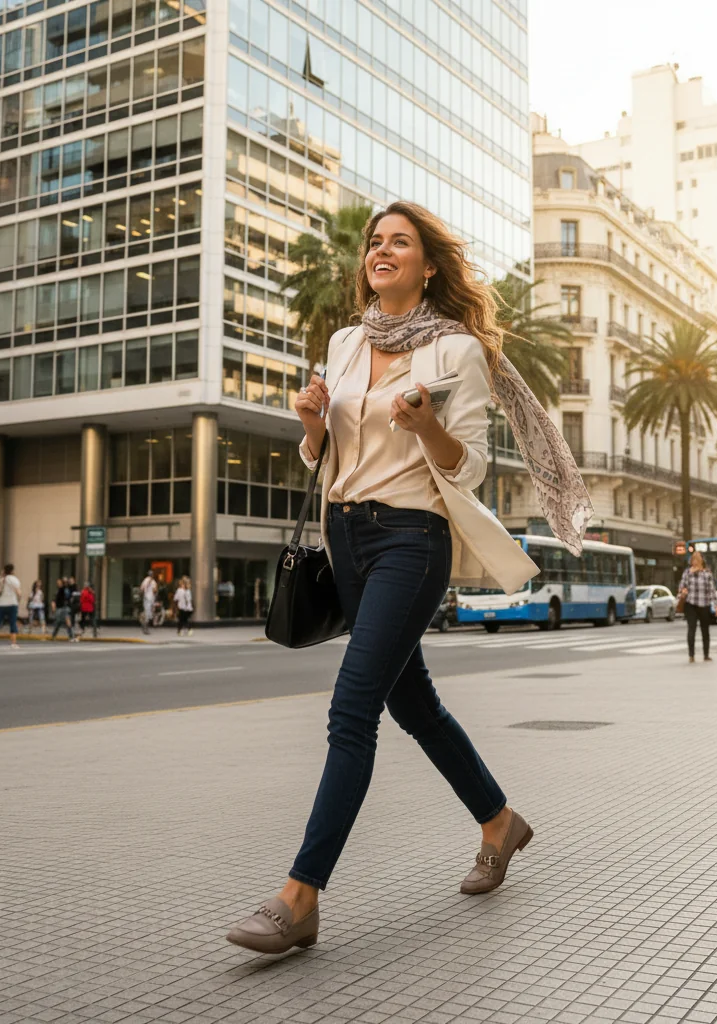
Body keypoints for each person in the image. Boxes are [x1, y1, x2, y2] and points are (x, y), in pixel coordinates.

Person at [227, 202, 595, 954]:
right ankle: (499, 822)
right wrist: (311, 425)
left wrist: (424, 422)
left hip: (411, 539)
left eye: (400, 242)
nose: (382, 249)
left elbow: (470, 467)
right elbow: (326, 458)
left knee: (351, 710)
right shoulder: (344, 342)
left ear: (428, 267)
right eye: (375, 241)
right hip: (346, 537)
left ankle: (300, 897)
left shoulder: (457, 350)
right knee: (415, 704)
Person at [679, 550, 717, 663]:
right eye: (693, 560)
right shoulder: (687, 573)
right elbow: (681, 587)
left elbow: (712, 590)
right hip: (690, 604)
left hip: (704, 604)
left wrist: (716, 606)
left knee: (705, 630)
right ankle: (691, 655)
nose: (695, 562)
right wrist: (682, 592)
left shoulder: (707, 574)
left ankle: (706, 654)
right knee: (691, 629)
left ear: (702, 561)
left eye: (697, 560)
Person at [67, 576, 82, 642]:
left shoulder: (75, 589)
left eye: (71, 580)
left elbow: (77, 598)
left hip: (76, 607)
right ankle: (73, 636)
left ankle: (77, 636)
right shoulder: (68, 588)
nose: (70, 581)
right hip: (72, 608)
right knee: (72, 622)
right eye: (69, 580)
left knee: (76, 622)